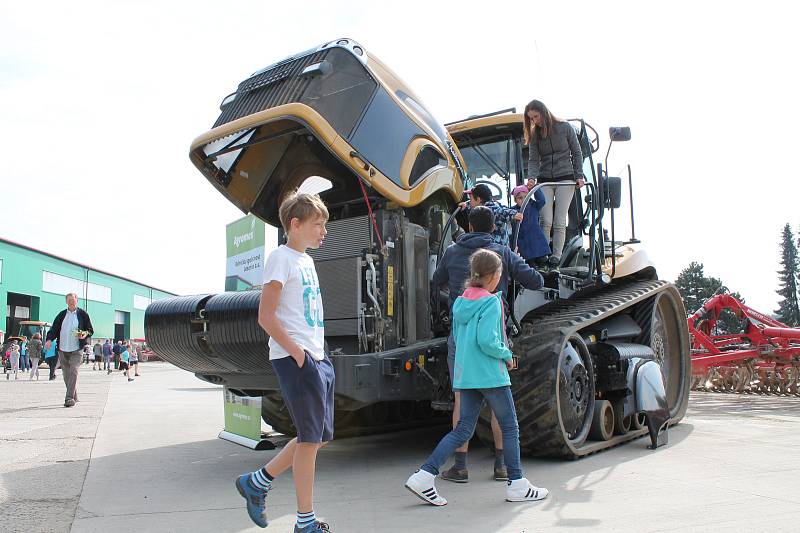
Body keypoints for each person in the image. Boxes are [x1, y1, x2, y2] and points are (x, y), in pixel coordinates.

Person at [406, 249, 548, 506]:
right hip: (491, 374)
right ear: (493, 276)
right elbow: (488, 341)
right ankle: (516, 484)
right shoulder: (492, 302)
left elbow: (459, 341)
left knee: (462, 430)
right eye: (500, 274)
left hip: (467, 375)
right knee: (510, 427)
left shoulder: (461, 301)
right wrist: (506, 354)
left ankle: (424, 476)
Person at [235, 192, 332, 533]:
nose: (323, 231)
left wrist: (317, 356)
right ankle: (304, 522)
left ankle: (258, 481)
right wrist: (298, 354)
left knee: (315, 437)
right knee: (309, 440)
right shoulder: (281, 258)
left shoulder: (306, 260)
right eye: (317, 225)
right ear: (295, 224)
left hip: (315, 358)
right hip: (297, 359)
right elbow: (266, 316)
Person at [432, 206, 544, 482]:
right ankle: (501, 466)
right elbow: (536, 281)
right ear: (494, 227)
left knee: (461, 400)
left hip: (460, 338)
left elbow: (437, 281)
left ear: (469, 227)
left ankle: (459, 466)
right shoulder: (502, 254)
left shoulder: (452, 252)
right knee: (499, 404)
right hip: (493, 338)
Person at [524, 99, 584, 273]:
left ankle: (555, 257)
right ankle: (542, 254)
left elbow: (577, 151)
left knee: (559, 221)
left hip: (566, 179)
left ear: (544, 112)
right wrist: (532, 178)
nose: (534, 121)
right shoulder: (535, 134)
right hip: (546, 180)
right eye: (531, 118)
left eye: (536, 116)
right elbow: (533, 159)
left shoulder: (565, 127)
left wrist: (578, 175)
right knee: (545, 219)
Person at [45, 293, 94, 408]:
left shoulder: (83, 314)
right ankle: (74, 395)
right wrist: (49, 340)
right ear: (66, 301)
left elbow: (90, 330)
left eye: (73, 300)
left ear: (77, 301)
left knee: (74, 371)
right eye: (69, 300)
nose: (71, 302)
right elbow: (54, 329)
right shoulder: (62, 315)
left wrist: (85, 334)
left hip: (77, 349)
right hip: (62, 349)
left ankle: (69, 398)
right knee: (66, 375)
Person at [458, 183, 523, 247]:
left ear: (478, 199)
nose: (469, 201)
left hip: (497, 252)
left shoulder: (491, 210)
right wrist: (466, 205)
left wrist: (514, 214)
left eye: (470, 198)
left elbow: (503, 212)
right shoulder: (494, 204)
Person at [511, 184, 550, 269]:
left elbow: (542, 200)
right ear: (515, 200)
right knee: (529, 264)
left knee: (542, 260)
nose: (523, 200)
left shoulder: (534, 206)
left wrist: (535, 189)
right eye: (520, 198)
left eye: (526, 197)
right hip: (523, 241)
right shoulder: (513, 211)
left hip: (536, 238)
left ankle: (545, 268)